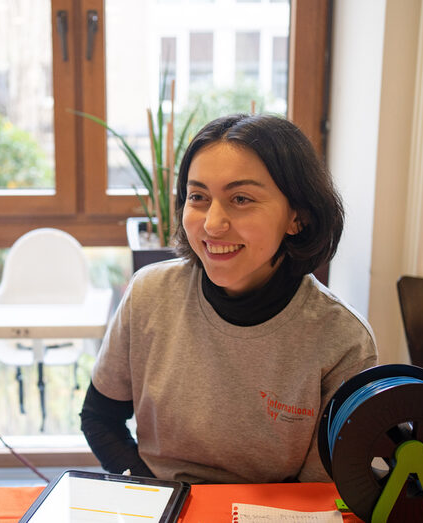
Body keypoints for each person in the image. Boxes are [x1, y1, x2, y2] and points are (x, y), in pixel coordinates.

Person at [80, 113, 378, 484]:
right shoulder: (149, 295)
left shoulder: (343, 340)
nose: (212, 223)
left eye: (240, 198)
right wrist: (152, 491)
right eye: (198, 197)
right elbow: (99, 418)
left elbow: (316, 491)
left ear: (297, 217)